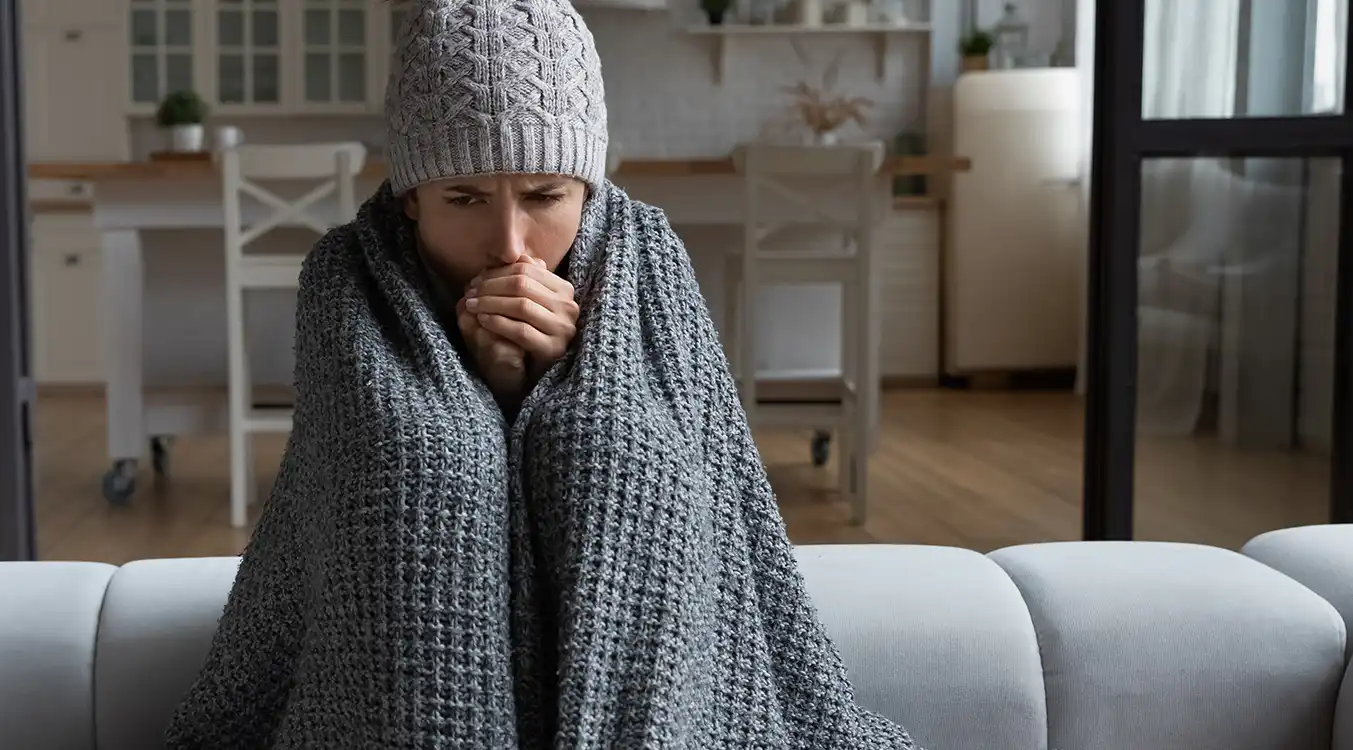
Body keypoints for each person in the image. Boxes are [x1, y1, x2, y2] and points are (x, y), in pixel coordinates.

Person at [160, 0, 923, 747]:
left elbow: (707, 493)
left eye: (544, 196)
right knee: (431, 463)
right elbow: (373, 487)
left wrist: (561, 379)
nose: (509, 242)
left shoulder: (646, 259)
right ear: (413, 202)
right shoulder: (345, 279)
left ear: (587, 190)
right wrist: (487, 386)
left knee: (610, 446)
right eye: (464, 198)